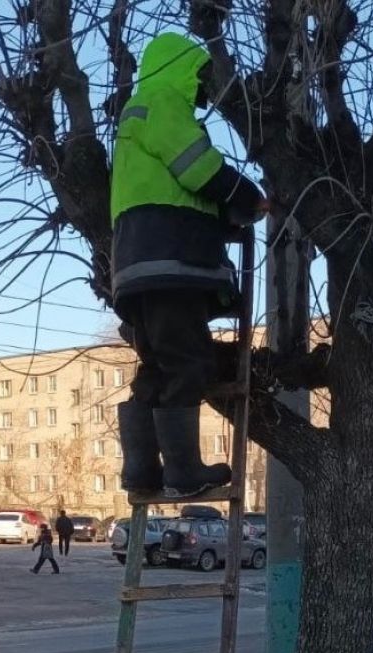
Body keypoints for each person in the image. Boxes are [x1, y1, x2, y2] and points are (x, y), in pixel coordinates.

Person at [110, 32, 268, 505]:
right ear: (182, 69)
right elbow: (196, 168)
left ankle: (141, 470)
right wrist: (245, 197)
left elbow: (174, 188)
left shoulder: (134, 116)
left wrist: (220, 215)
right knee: (190, 362)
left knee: (157, 367)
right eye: (200, 77)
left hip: (138, 267)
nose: (204, 91)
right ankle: (183, 470)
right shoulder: (162, 102)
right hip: (170, 260)